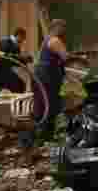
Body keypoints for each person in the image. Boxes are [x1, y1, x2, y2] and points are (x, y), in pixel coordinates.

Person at [21, 19, 68, 150]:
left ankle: (45, 137)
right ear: (56, 27)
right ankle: (30, 139)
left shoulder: (47, 39)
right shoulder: (54, 40)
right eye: (63, 27)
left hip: (41, 77)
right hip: (46, 78)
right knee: (44, 108)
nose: (64, 31)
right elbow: (66, 57)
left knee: (48, 107)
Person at [0, 27, 29, 96]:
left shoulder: (16, 45)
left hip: (6, 72)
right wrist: (21, 58)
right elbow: (3, 56)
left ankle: (19, 105)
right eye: (23, 37)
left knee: (20, 86)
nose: (24, 40)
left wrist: (25, 60)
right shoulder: (5, 41)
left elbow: (15, 61)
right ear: (19, 35)